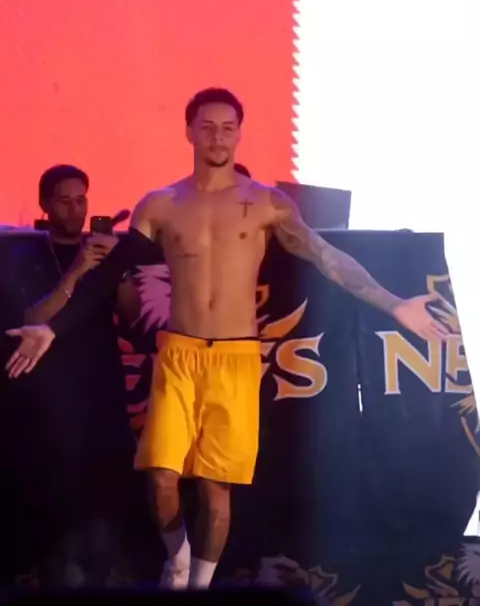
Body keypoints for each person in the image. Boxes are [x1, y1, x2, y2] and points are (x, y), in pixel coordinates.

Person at [5, 90, 448, 591]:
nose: (218, 136)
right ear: (189, 131)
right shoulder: (161, 204)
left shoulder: (266, 204)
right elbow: (110, 276)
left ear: (239, 133)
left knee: (217, 492)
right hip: (180, 354)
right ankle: (177, 559)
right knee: (160, 477)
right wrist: (53, 327)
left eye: (228, 127)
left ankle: (199, 586)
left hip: (235, 357)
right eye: (208, 126)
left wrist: (393, 304)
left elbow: (327, 258)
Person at [0, 165, 140, 587]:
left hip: (100, 391)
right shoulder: (26, 255)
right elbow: (31, 317)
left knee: (102, 498)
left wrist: (120, 268)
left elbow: (131, 315)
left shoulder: (102, 255)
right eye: (64, 200)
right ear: (45, 204)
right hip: (49, 398)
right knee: (53, 501)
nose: (75, 209)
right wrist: (77, 270)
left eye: (81, 200)